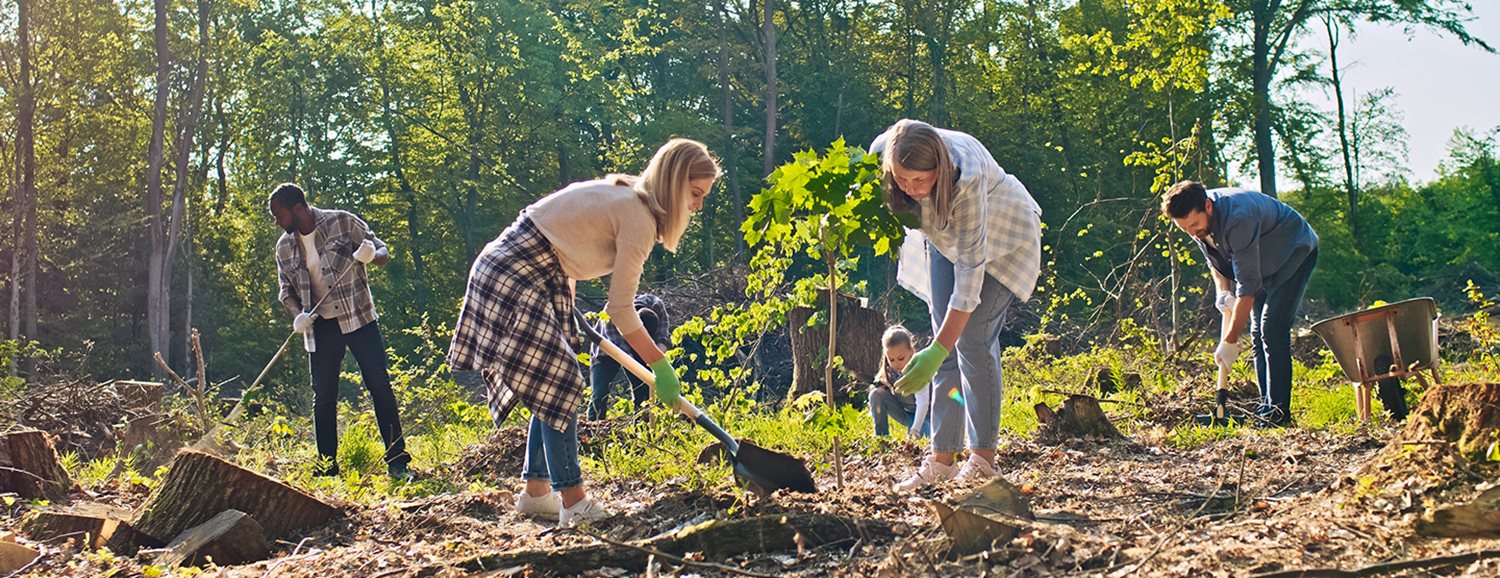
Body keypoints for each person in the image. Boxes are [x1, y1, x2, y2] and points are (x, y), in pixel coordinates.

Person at [448, 139, 718, 527]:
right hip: (514, 274)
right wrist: (660, 364)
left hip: (534, 273)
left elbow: (560, 236)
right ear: (675, 183)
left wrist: (564, 308)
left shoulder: (625, 197)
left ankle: (536, 492)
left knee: (549, 382)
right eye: (695, 194)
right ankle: (574, 502)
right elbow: (621, 309)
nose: (697, 206)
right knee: (561, 384)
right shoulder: (638, 216)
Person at [870, 120, 1043, 491]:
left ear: (940, 169)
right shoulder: (883, 151)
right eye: (902, 179)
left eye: (920, 181)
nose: (910, 189)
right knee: (942, 342)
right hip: (945, 238)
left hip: (1001, 239)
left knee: (971, 342)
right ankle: (942, 458)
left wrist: (938, 350)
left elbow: (969, 278)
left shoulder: (967, 178)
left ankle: (983, 459)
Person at [269, 183, 412, 480]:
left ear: (297, 208)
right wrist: (298, 316)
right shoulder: (283, 246)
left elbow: (383, 251)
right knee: (323, 398)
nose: (277, 222)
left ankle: (397, 461)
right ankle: (326, 469)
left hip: (358, 318)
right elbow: (286, 291)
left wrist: (371, 253)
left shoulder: (342, 221)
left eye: (279, 215)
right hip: (320, 326)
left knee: (379, 386)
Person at [1162, 181, 1318, 427]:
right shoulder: (1197, 223)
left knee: (1271, 330)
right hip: (1261, 266)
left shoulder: (1238, 219)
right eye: (1185, 229)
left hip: (1293, 252)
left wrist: (1231, 340)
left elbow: (1248, 286)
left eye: (1194, 225)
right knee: (1257, 334)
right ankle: (1266, 408)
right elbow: (1217, 262)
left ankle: (1278, 414)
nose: (1192, 232)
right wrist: (1223, 292)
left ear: (1208, 206)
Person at [588, 294, 671, 421]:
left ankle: (642, 427)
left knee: (644, 391)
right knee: (600, 394)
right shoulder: (613, 311)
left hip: (637, 349)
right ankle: (593, 429)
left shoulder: (657, 306)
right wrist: (643, 365)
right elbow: (623, 352)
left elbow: (663, 337)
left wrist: (657, 362)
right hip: (606, 349)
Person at [868, 326, 933, 438]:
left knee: (927, 434)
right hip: (906, 415)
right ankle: (881, 436)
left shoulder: (918, 371)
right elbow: (880, 398)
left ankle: (919, 429)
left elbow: (923, 403)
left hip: (926, 416)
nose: (896, 363)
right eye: (891, 360)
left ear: (912, 352)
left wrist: (915, 430)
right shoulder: (889, 372)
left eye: (901, 358)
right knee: (875, 394)